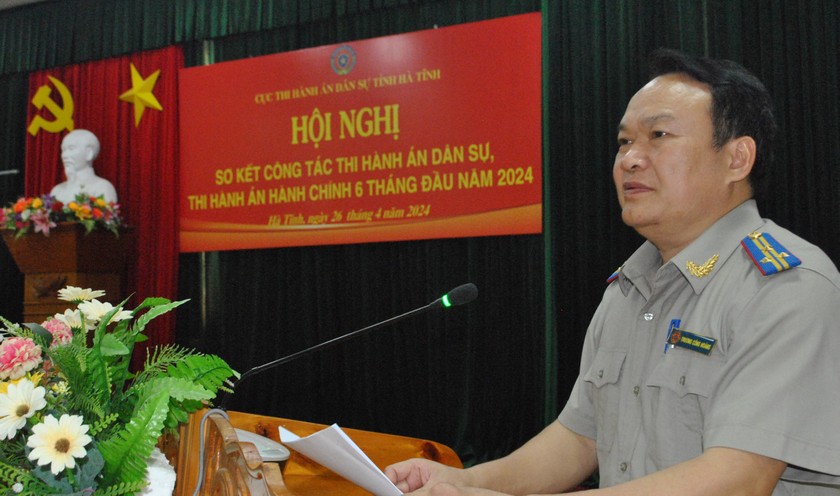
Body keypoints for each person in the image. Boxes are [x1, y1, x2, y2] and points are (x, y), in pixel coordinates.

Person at [385, 49, 840, 495]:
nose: (630, 159)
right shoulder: (629, 287)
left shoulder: (785, 286)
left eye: (658, 135)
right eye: (624, 142)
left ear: (737, 158)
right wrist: (463, 480)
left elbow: (738, 479)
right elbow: (580, 439)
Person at [50, 129, 118, 204]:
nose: (64, 155)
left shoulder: (103, 188)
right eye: (63, 150)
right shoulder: (57, 191)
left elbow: (106, 210)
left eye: (71, 148)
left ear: (89, 153)